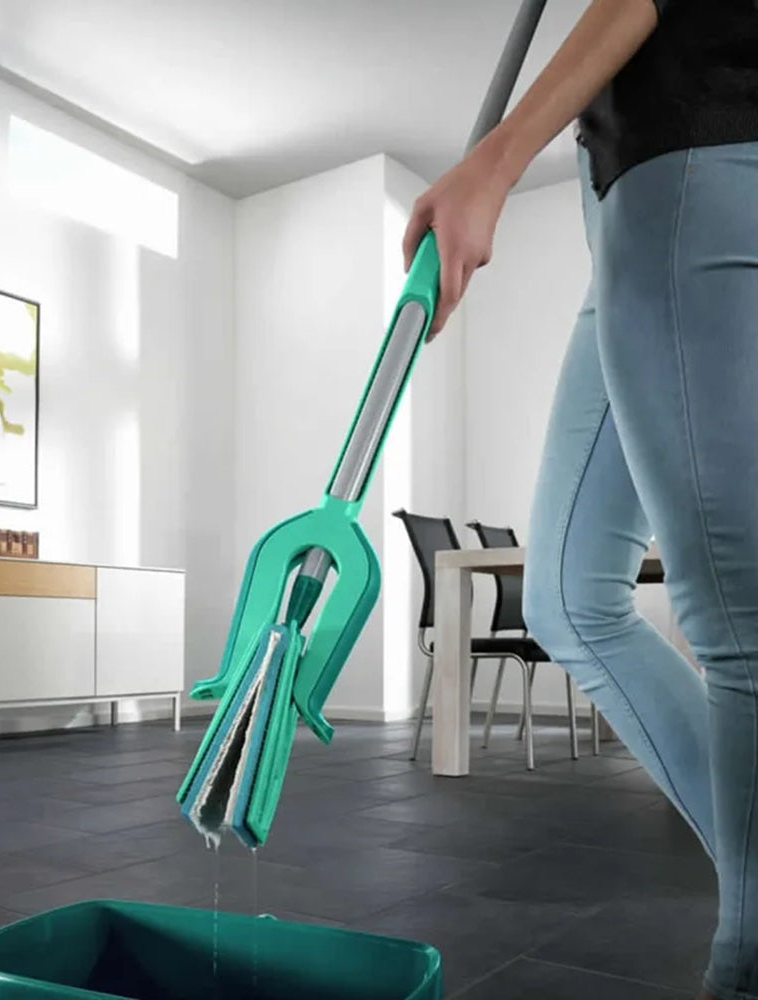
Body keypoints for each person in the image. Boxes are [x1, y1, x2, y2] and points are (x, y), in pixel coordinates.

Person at [401, 2, 758, 998]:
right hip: (632, 203)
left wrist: (493, 164)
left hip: (700, 156)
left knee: (732, 613)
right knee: (564, 594)